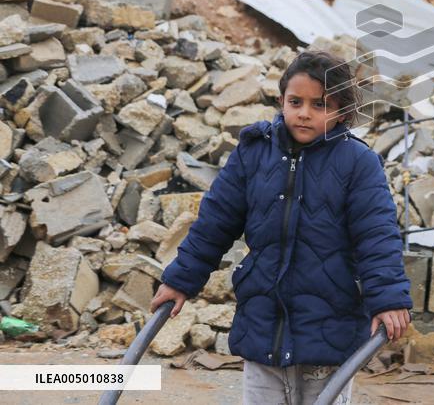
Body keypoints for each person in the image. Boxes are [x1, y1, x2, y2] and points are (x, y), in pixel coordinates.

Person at [151, 50, 412, 404]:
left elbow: (377, 237)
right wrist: (180, 280)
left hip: (328, 328)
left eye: (319, 105)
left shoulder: (357, 163)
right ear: (281, 100)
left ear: (341, 111)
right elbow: (215, 222)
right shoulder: (254, 153)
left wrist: (389, 300)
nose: (304, 112)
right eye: (296, 101)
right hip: (264, 324)